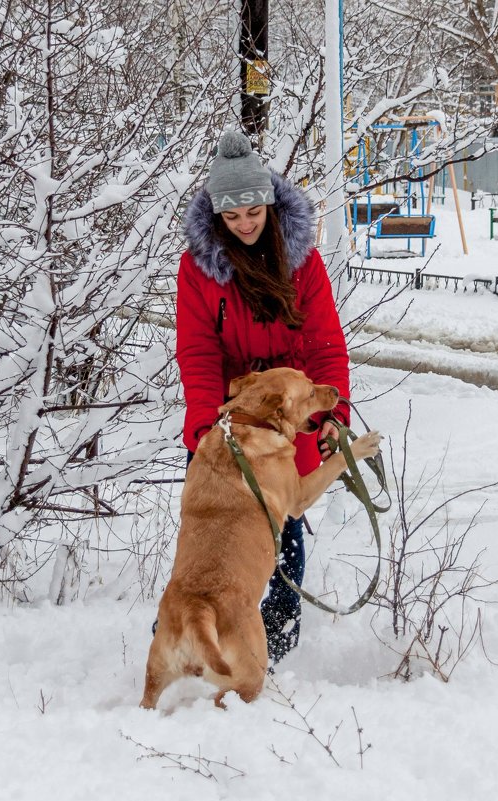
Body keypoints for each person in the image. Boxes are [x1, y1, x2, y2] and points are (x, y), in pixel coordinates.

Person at [176, 130, 350, 664]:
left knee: (285, 540)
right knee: (208, 545)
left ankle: (270, 651)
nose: (245, 224)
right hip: (229, 423)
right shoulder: (199, 269)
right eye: (232, 217)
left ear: (270, 203)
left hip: (286, 418)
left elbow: (324, 347)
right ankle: (180, 640)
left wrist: (333, 414)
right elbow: (199, 356)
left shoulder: (303, 264)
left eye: (253, 211)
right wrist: (207, 429)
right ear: (217, 218)